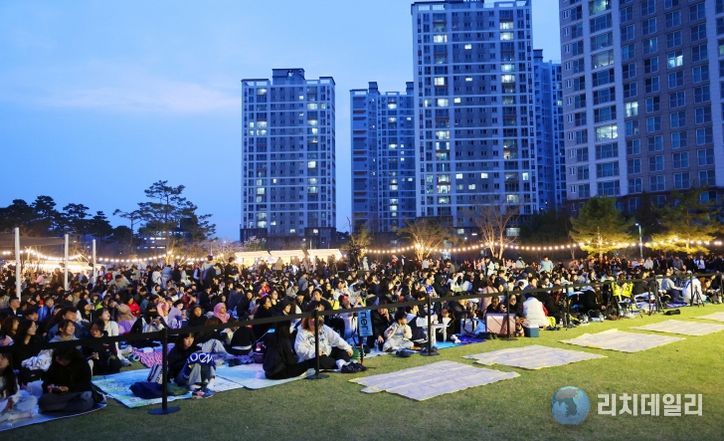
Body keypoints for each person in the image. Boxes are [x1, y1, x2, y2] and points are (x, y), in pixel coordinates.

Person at [294, 305, 364, 373]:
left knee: (343, 351)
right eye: (311, 318)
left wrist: (348, 347)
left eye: (316, 318)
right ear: (307, 320)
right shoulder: (302, 332)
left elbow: (336, 338)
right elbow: (299, 349)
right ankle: (341, 364)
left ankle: (340, 363)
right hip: (315, 357)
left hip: (327, 352)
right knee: (320, 361)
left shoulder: (324, 327)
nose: (313, 320)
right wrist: (315, 353)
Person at [39, 347, 95, 414]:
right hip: (60, 395)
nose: (59, 362)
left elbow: (85, 384)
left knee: (85, 399)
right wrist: (49, 387)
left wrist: (68, 388)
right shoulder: (55, 364)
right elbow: (46, 381)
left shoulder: (82, 364)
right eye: (57, 360)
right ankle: (62, 406)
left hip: (76, 392)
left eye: (61, 360)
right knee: (43, 401)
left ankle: (55, 407)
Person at [0, 352, 37, 424]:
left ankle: (8, 415)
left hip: (9, 406)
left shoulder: (11, 376)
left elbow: (16, 393)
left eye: (2, 358)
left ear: (8, 362)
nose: (0, 360)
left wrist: (11, 401)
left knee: (32, 399)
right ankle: (14, 416)